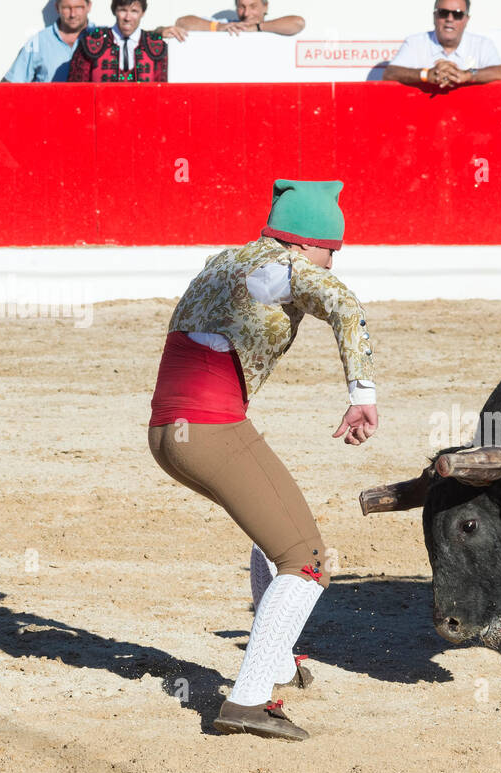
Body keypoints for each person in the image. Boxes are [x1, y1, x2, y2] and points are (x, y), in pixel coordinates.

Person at [148, 180, 378, 742]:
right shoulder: (286, 270)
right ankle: (249, 699)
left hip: (166, 433)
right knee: (309, 559)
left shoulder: (224, 259)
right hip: (209, 429)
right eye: (331, 250)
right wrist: (362, 394)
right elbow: (344, 303)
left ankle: (276, 664)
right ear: (305, 244)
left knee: (271, 530)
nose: (333, 261)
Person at [383, 0, 501, 90]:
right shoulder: (415, 42)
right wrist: (426, 75)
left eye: (457, 14)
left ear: (466, 20)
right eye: (443, 13)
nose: (450, 19)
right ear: (434, 17)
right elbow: (390, 74)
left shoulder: (482, 44)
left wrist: (467, 75)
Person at [67, 0, 167, 82]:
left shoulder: (156, 45)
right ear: (114, 11)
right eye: (123, 10)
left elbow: (161, 93)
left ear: (143, 13)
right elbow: (76, 90)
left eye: (134, 11)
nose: (128, 18)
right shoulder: (89, 42)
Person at [4, 0, 93, 83]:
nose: (73, 14)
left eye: (78, 7)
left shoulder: (102, 40)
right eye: (66, 8)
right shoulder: (38, 41)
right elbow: (11, 85)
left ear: (89, 6)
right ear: (57, 8)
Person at [174, 0, 304, 35]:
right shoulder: (228, 25)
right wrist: (219, 27)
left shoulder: (275, 27)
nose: (246, 13)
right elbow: (183, 23)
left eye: (253, 6)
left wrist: (257, 28)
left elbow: (298, 23)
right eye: (242, 7)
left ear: (265, 7)